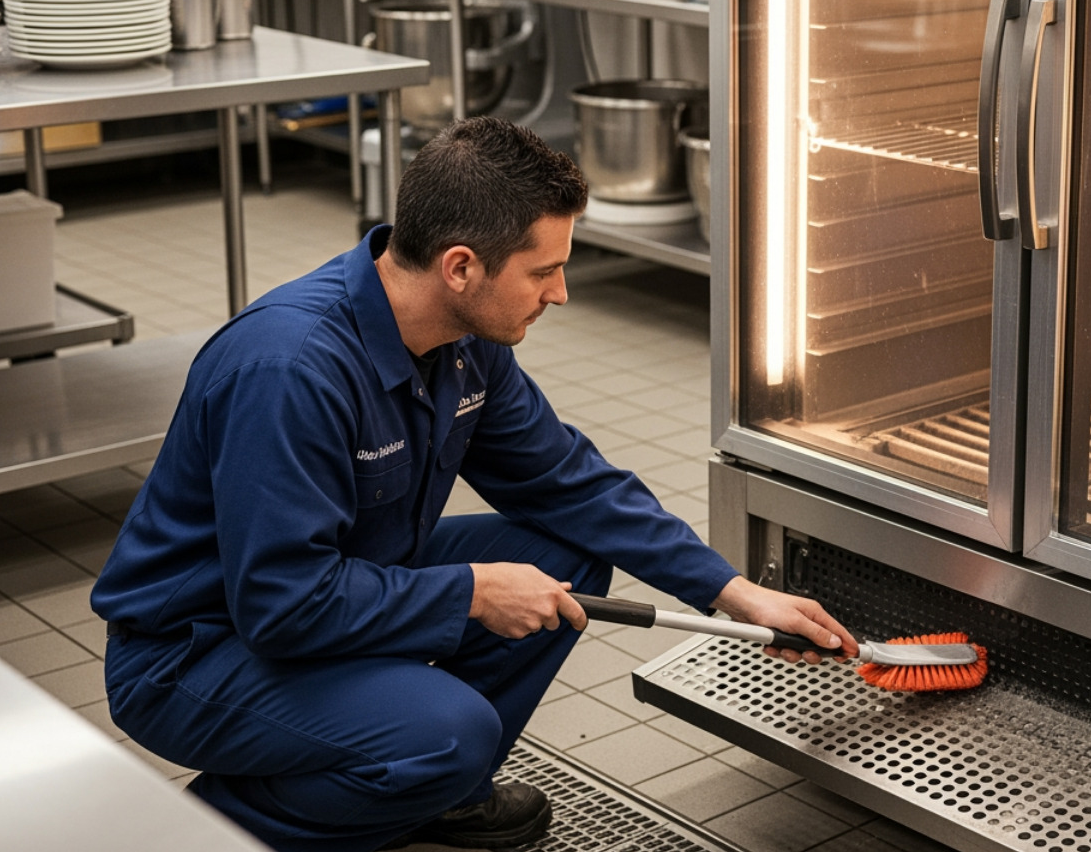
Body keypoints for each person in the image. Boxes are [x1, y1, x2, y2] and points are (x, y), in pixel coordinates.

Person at [91, 117, 858, 852]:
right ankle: (219, 832)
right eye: (544, 270)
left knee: (564, 554)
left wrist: (731, 591)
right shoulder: (290, 368)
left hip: (334, 590)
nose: (560, 293)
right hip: (195, 649)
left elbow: (569, 483)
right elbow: (281, 604)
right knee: (449, 734)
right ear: (461, 266)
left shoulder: (461, 343)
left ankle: (419, 787)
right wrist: (469, 593)